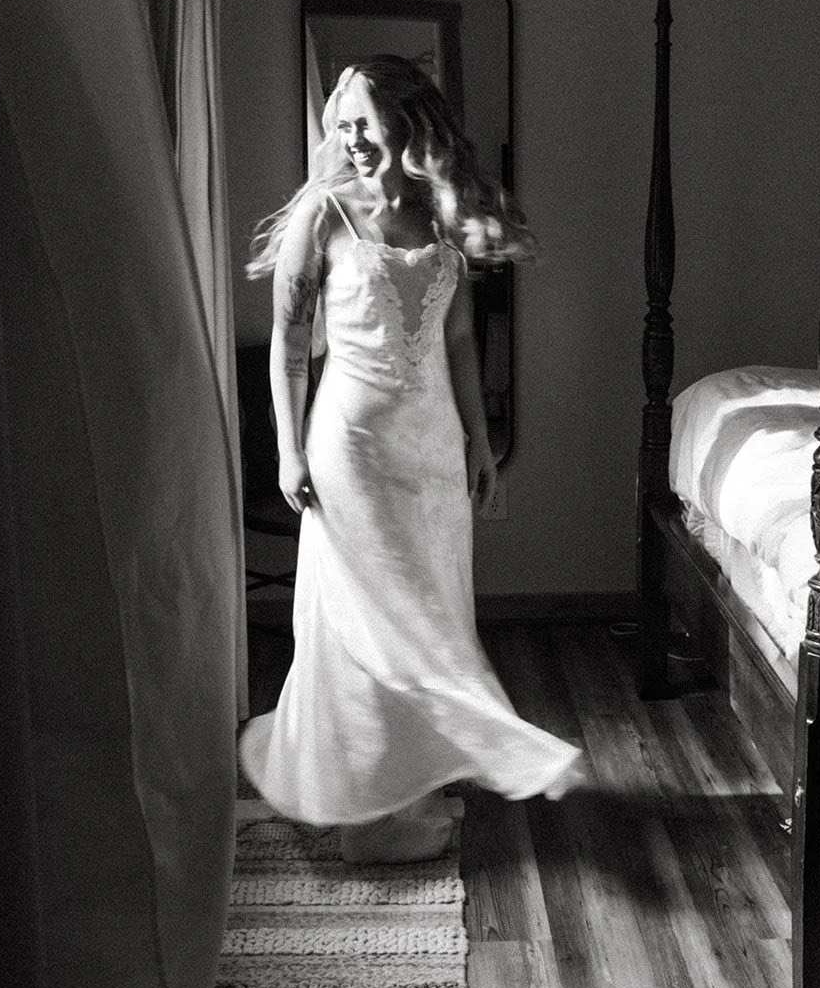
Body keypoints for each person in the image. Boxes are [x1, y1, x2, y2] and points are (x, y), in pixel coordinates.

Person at [238, 54, 584, 861]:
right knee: (375, 620)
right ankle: (370, 802)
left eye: (363, 120)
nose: (350, 138)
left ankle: (410, 782)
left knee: (430, 608)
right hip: (349, 444)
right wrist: (290, 451)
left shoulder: (444, 213)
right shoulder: (323, 215)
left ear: (406, 119)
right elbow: (288, 348)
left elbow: (459, 339)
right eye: (340, 123)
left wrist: (476, 439)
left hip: (428, 448)